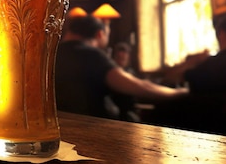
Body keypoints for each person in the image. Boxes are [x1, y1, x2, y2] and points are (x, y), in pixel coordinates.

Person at [152, 11, 226, 140]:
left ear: (221, 34)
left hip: (210, 144)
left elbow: (169, 80)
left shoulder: (205, 67)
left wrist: (192, 62)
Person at [54, 15, 188, 119]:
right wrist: (177, 93)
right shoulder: (91, 55)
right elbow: (135, 86)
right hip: (93, 128)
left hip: (60, 125)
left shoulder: (51, 53)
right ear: (100, 34)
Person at [109, 42, 141, 122]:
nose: (122, 61)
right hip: (115, 112)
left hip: (129, 110)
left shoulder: (130, 72)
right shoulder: (110, 73)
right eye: (119, 58)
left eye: (124, 59)